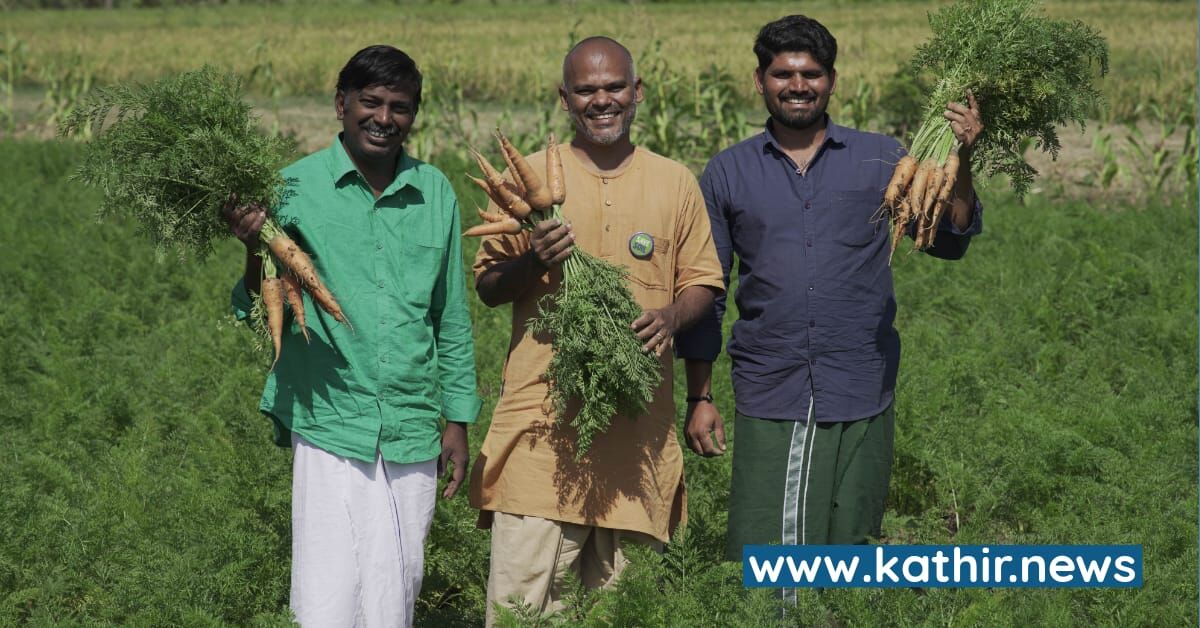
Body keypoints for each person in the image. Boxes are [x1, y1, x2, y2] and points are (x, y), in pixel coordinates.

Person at [675, 15, 984, 561]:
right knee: (771, 552)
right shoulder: (728, 173)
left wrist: (962, 158)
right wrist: (699, 396)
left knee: (853, 544)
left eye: (812, 73)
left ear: (832, 81)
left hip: (863, 382)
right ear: (760, 81)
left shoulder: (881, 159)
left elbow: (948, 240)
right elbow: (709, 290)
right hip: (775, 386)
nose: (798, 85)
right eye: (783, 74)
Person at [222, 45, 481, 627]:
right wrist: (250, 247)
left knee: (398, 588)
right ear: (341, 104)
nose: (384, 118)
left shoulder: (434, 192)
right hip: (329, 419)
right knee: (326, 596)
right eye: (370, 102)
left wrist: (458, 419)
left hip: (413, 425)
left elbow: (451, 317)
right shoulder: (291, 188)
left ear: (414, 114)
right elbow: (252, 305)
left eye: (400, 107)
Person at [468, 36, 724, 624]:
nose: (601, 100)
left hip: (638, 449)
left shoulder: (675, 182)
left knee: (627, 614)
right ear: (565, 98)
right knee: (521, 613)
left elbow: (703, 286)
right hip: (540, 443)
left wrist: (669, 317)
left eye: (614, 88)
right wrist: (532, 260)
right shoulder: (524, 179)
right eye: (586, 90)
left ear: (637, 93)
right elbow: (487, 288)